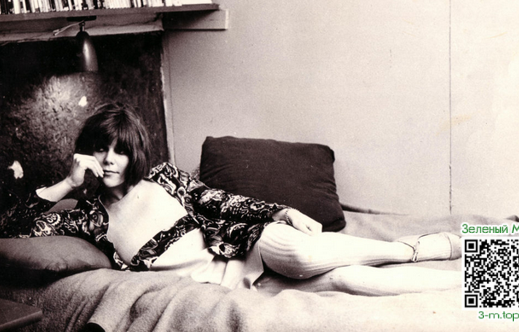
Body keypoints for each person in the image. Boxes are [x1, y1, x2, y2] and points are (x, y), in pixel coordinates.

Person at [10, 103, 462, 295]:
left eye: (120, 150)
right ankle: (485, 278)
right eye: (101, 149)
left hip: (249, 245)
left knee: (303, 252)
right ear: (87, 153)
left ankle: (421, 248)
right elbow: (11, 228)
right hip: (228, 283)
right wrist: (66, 185)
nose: (110, 160)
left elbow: (221, 201)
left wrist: (282, 211)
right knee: (351, 282)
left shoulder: (164, 177)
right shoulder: (87, 218)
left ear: (134, 153)